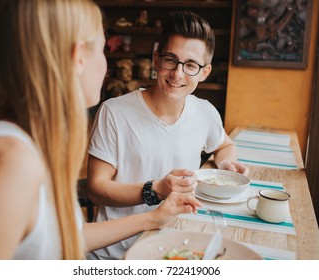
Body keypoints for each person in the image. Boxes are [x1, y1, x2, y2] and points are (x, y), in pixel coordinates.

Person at [0, 0, 201, 260]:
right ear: (79, 56)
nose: (105, 66)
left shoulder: (33, 144)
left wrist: (153, 218)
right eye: (103, 50)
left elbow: (63, 237)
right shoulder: (12, 162)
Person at [87, 10, 249, 260]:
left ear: (204, 72)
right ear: (155, 59)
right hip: (115, 254)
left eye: (191, 65)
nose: (177, 74)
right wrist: (155, 189)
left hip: (174, 248)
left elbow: (224, 145)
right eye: (170, 60)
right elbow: (96, 189)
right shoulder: (114, 112)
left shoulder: (204, 112)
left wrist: (224, 162)